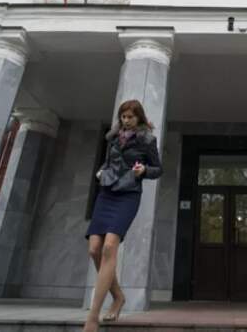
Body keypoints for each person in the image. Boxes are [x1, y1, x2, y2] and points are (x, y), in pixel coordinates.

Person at [83, 99, 162, 332]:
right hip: (106, 193)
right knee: (94, 249)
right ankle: (118, 296)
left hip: (128, 195)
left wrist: (144, 170)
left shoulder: (147, 140)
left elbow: (158, 169)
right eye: (123, 117)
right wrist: (101, 172)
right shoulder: (113, 137)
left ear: (138, 118)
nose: (126, 120)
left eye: (130, 117)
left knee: (109, 247)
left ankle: (93, 317)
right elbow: (108, 162)